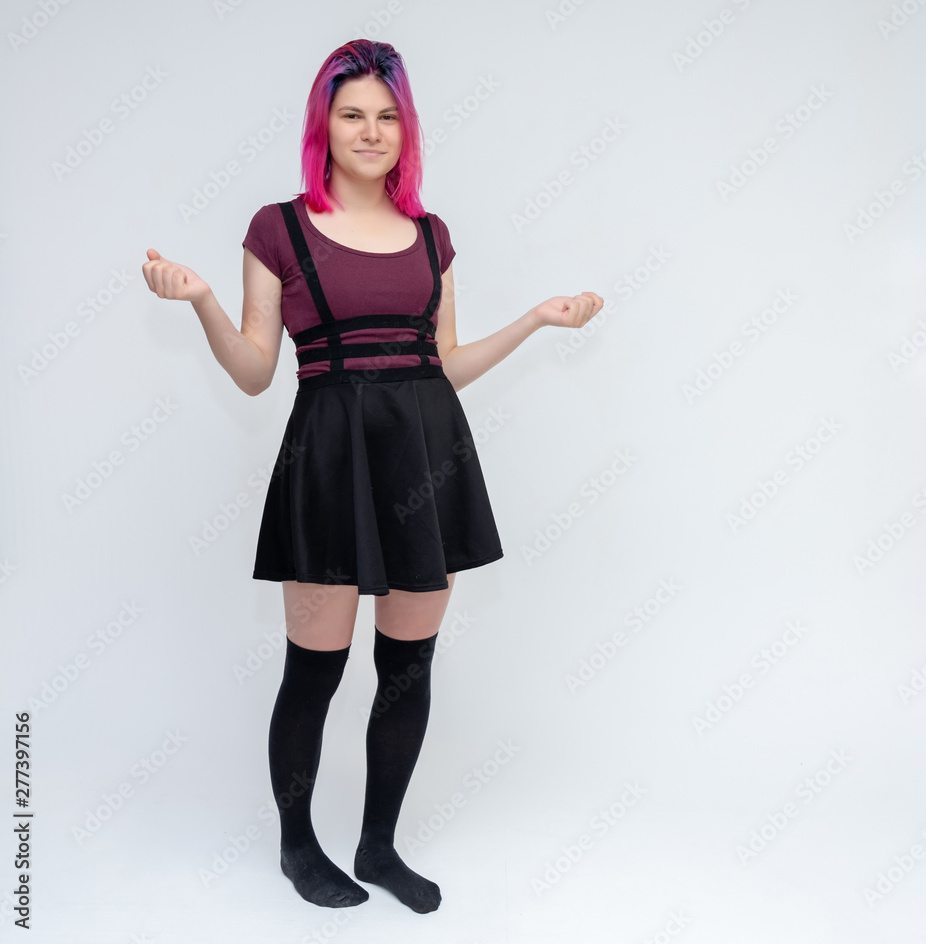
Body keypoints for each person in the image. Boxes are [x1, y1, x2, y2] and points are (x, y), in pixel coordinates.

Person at [141, 38, 603, 915]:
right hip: (328, 461)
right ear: (325, 122)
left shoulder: (433, 236)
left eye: (387, 116)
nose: (371, 130)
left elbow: (445, 364)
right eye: (353, 113)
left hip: (428, 457)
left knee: (408, 669)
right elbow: (251, 370)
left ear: (406, 129)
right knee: (313, 672)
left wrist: (538, 321)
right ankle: (296, 847)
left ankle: (379, 845)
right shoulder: (276, 228)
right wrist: (201, 298)